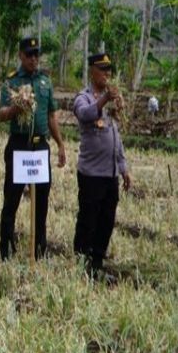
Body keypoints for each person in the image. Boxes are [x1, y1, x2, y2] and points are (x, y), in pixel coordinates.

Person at [0, 36, 66, 261]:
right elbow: (2, 115)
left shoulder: (45, 82)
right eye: (29, 55)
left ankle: (39, 249)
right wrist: (18, 107)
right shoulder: (13, 82)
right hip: (19, 146)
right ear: (21, 55)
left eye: (36, 55)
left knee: (41, 201)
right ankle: (5, 246)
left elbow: (51, 116)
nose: (34, 59)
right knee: (12, 199)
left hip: (40, 147)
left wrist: (60, 144)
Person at [72, 53, 131, 279]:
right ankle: (81, 260)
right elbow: (85, 114)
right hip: (91, 174)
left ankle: (96, 263)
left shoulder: (111, 101)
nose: (107, 74)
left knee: (107, 219)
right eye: (102, 69)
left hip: (110, 173)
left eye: (109, 70)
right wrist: (105, 99)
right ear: (92, 71)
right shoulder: (84, 97)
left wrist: (123, 168)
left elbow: (116, 137)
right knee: (89, 218)